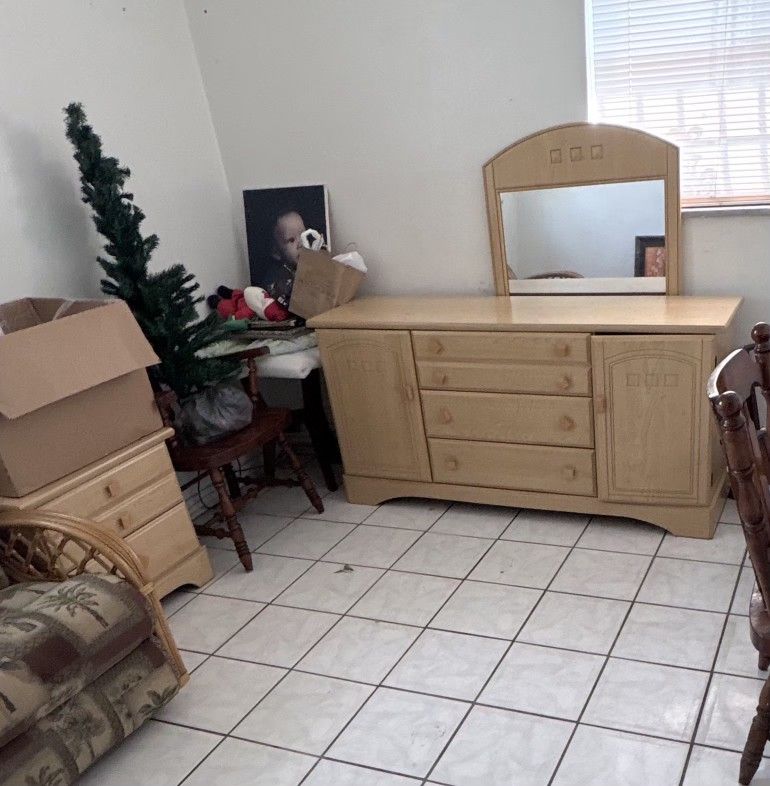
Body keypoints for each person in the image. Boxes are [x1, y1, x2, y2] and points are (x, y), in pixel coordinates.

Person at [258, 207, 306, 309]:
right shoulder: (277, 278)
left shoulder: (313, 263)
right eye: (292, 240)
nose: (301, 243)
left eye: (303, 235)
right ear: (276, 252)